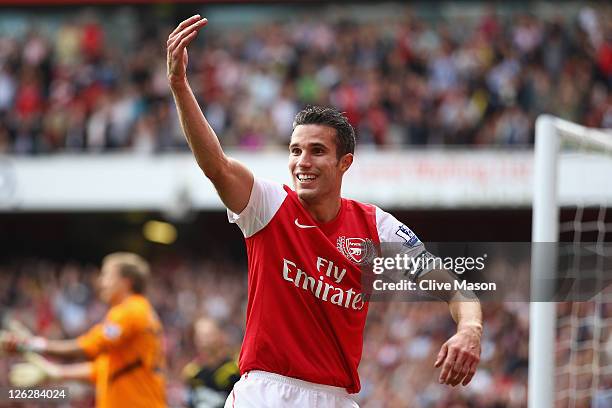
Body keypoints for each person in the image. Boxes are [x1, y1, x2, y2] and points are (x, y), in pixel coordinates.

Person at [167, 15, 483, 407]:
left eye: (317, 151)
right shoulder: (268, 206)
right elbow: (215, 163)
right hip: (266, 391)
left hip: (335, 398)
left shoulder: (376, 226)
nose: (303, 162)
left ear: (344, 163)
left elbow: (452, 285)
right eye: (296, 151)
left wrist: (470, 328)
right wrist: (180, 87)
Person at [2, 252, 166, 408]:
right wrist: (56, 372)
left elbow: (86, 347)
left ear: (126, 281)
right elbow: (100, 369)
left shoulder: (130, 311)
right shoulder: (140, 311)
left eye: (106, 275)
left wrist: (29, 344)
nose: (100, 282)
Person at [182, 317, 241, 408]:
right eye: (200, 336)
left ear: (220, 335)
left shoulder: (235, 369)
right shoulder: (192, 373)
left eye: (209, 335)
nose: (205, 340)